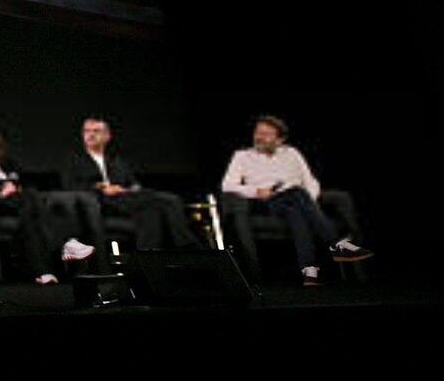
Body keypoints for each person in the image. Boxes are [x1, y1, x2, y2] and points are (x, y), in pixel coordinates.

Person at [219, 115, 372, 287]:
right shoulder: (242, 156)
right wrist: (255, 191)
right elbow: (227, 186)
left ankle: (309, 273)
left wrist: (310, 203)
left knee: (297, 214)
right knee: (297, 192)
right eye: (258, 132)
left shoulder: (292, 153)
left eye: (266, 134)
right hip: (268, 201)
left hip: (297, 201)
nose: (259, 137)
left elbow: (310, 180)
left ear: (280, 139)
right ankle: (336, 245)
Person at [0, 127, 93, 285]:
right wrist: (0, 192)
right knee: (31, 198)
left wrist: (15, 186)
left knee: (30, 221)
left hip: (20, 204)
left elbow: (24, 180)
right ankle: (67, 242)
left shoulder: (8, 164)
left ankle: (44, 273)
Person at [58, 117, 200, 252]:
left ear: (107, 136)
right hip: (99, 201)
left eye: (96, 131)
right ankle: (187, 245)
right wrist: (100, 187)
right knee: (170, 200)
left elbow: (132, 183)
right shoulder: (73, 160)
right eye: (87, 131)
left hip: (125, 198)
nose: (90, 135)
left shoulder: (117, 161)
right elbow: (69, 187)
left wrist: (132, 188)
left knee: (151, 213)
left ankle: (147, 258)